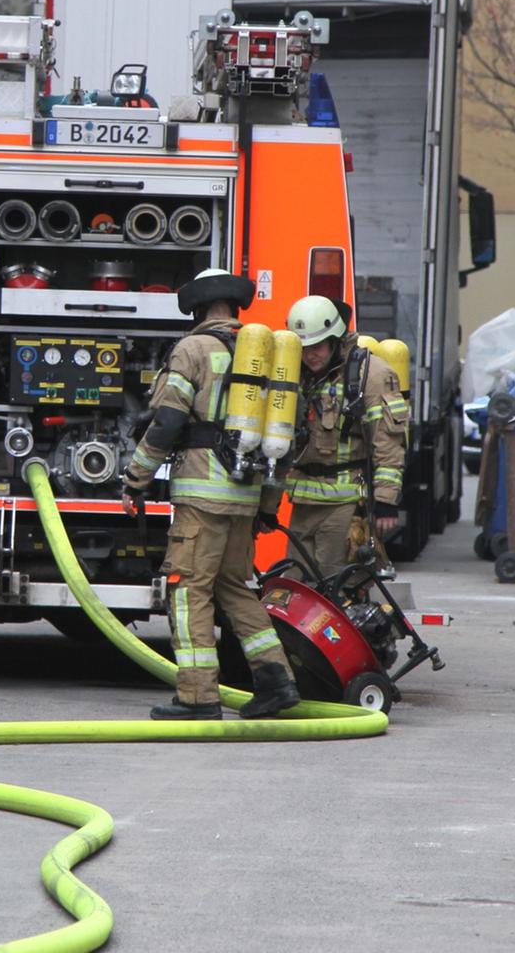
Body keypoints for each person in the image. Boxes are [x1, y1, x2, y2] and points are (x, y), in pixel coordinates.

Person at [119, 268, 301, 721]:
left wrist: (136, 477)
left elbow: (166, 422)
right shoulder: (262, 355)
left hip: (202, 496)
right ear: (235, 308)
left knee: (187, 590)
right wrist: (266, 505)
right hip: (246, 495)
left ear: (197, 308)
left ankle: (198, 696)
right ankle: (277, 682)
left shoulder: (193, 349)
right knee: (236, 589)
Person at [270, 295, 409, 572]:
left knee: (337, 587)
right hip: (302, 502)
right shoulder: (296, 373)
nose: (310, 354)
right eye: (304, 346)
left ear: (335, 339)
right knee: (296, 586)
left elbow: (388, 441)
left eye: (318, 346)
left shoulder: (370, 375)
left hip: (346, 505)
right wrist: (268, 504)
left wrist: (384, 501)